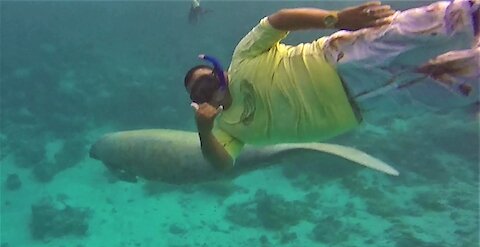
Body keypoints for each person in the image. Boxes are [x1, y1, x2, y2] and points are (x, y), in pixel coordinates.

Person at [184, 0, 479, 170]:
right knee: (454, 87)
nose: (208, 90)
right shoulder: (226, 131)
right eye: (200, 92)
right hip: (367, 107)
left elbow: (278, 20)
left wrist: (337, 18)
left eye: (207, 80)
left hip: (339, 59)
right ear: (198, 103)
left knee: (433, 27)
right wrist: (203, 130)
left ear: (219, 70)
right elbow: (222, 165)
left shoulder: (243, 58)